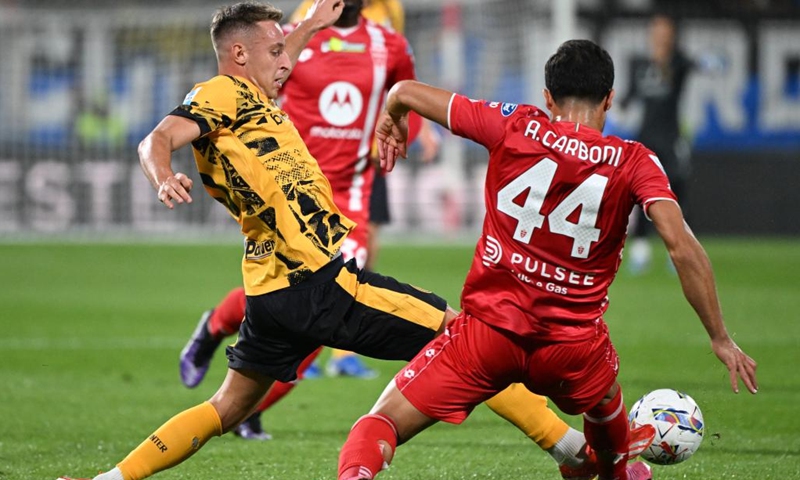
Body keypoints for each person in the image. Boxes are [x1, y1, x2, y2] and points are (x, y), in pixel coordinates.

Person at [58, 5, 650, 480]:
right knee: (467, 336)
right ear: (238, 56)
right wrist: (163, 174)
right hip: (321, 282)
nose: (286, 61)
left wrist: (312, 23)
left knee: (226, 409)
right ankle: (575, 451)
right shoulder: (221, 94)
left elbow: (279, 54)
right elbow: (157, 137)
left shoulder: (256, 96)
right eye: (273, 51)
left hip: (271, 291)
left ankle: (110, 478)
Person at [336, 39, 759, 480]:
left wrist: (394, 114)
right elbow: (681, 246)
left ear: (547, 97)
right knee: (609, 424)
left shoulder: (514, 126)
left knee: (380, 423)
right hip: (573, 349)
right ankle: (608, 467)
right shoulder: (635, 162)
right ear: (610, 98)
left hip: (487, 337)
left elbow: (404, 88)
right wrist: (720, 337)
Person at [176, 0, 434, 442]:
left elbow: (402, 91)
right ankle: (219, 332)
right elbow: (254, 86)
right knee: (297, 304)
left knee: (314, 311)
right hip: (288, 196)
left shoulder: (389, 43)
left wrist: (407, 122)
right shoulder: (285, 38)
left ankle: (245, 403)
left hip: (349, 198)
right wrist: (312, 24)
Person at [620, 14, 705, 274]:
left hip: (671, 137)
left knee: (676, 190)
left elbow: (706, 64)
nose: (660, 35)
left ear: (671, 36)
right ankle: (641, 250)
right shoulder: (640, 66)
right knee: (638, 193)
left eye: (664, 31)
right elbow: (628, 99)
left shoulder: (678, 63)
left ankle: (680, 249)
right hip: (645, 137)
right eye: (656, 30)